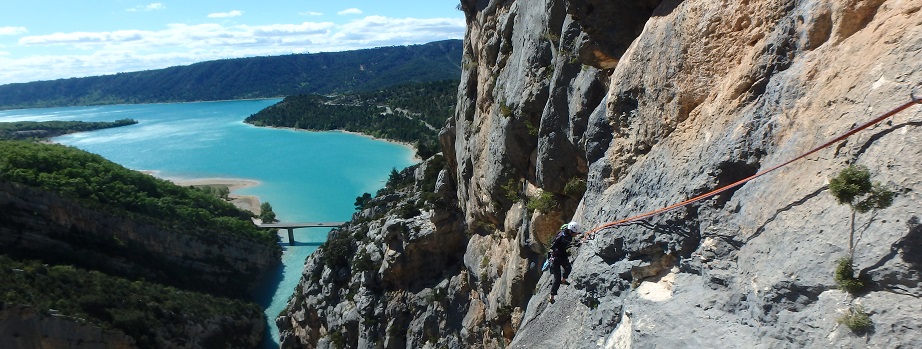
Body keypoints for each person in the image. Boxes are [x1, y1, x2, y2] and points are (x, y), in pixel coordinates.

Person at [548, 221, 580, 304]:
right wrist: (577, 242)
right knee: (556, 278)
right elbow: (569, 243)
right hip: (555, 258)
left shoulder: (566, 232)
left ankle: (563, 280)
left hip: (561, 255)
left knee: (568, 268)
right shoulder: (564, 237)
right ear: (570, 231)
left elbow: (571, 239)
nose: (575, 234)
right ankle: (551, 297)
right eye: (575, 233)